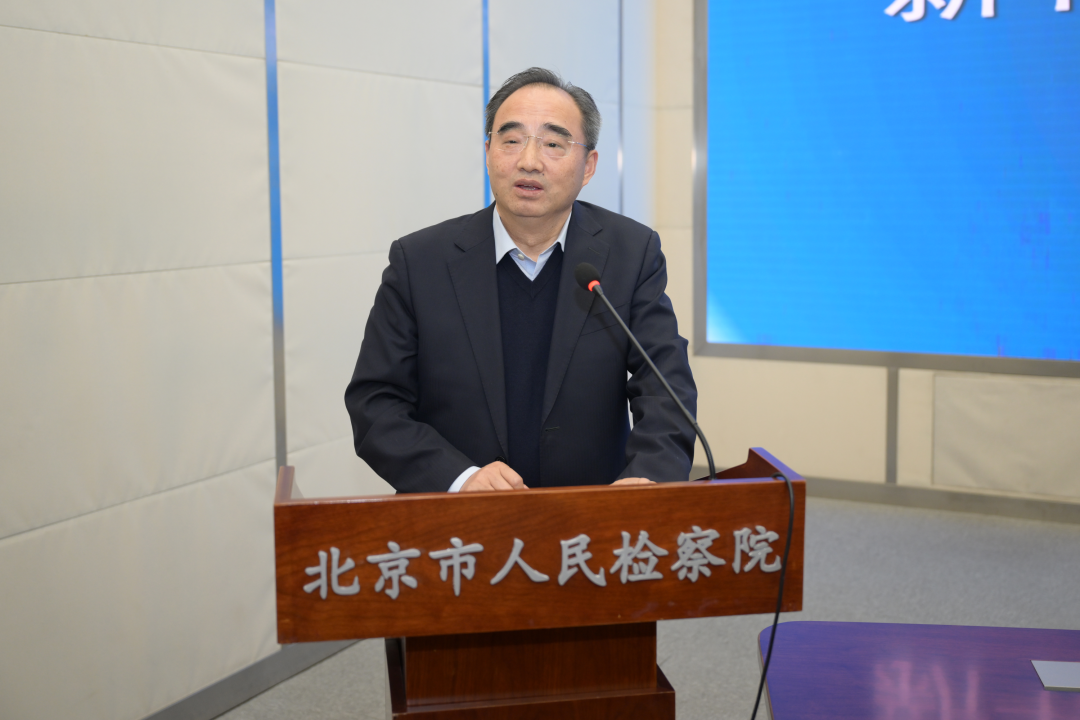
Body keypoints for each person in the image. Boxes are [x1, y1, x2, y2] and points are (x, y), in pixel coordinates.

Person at [345, 67, 696, 494]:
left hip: (593, 513)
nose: (529, 161)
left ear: (588, 166)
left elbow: (665, 388)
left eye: (553, 144)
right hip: (461, 519)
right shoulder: (419, 261)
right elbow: (376, 403)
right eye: (511, 140)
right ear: (488, 152)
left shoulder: (631, 252)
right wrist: (459, 478)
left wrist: (648, 477)